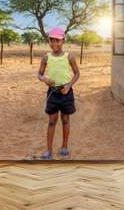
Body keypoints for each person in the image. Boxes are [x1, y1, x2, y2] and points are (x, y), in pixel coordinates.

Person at [37, 27, 80, 160]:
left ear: (63, 41)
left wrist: (68, 86)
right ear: (49, 41)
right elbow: (39, 74)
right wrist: (44, 79)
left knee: (65, 119)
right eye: (52, 40)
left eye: (58, 41)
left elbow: (77, 73)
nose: (55, 44)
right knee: (51, 121)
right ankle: (48, 150)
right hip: (53, 93)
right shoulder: (46, 57)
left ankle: (64, 147)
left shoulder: (69, 57)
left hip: (66, 92)